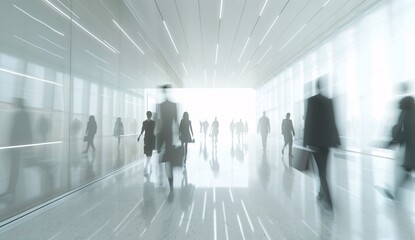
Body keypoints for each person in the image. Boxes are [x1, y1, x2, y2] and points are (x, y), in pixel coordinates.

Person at [304, 77, 340, 211]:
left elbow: (309, 120)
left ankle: (329, 201)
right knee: (324, 170)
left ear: (316, 87)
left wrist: (306, 142)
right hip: (327, 143)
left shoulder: (311, 101)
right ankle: (321, 194)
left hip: (315, 142)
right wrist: (336, 140)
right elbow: (332, 121)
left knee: (321, 172)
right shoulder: (329, 101)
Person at [382, 82, 415, 200]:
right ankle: (395, 193)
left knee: (407, 172)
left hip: (410, 151)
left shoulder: (404, 114)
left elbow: (398, 132)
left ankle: (395, 194)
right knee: (408, 172)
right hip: (411, 151)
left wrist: (390, 143)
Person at [1, 98, 32, 199]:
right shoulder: (23, 114)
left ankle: (12, 189)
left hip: (17, 145)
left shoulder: (19, 114)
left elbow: (19, 130)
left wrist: (14, 144)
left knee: (14, 167)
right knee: (15, 167)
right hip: (17, 145)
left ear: (18, 104)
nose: (13, 104)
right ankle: (12, 188)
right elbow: (27, 130)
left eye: (14, 103)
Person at [157, 85, 178, 199]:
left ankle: (162, 178)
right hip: (169, 135)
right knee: (169, 162)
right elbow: (176, 121)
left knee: (164, 160)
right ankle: (171, 186)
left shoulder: (161, 106)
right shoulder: (173, 105)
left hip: (163, 135)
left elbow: (159, 122)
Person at [138, 111, 156, 176]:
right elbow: (142, 129)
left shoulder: (150, 122)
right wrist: (139, 136)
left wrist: (140, 136)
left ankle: (146, 166)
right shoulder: (150, 122)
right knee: (147, 152)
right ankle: (150, 164)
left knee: (149, 152)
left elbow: (143, 130)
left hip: (149, 139)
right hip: (148, 138)